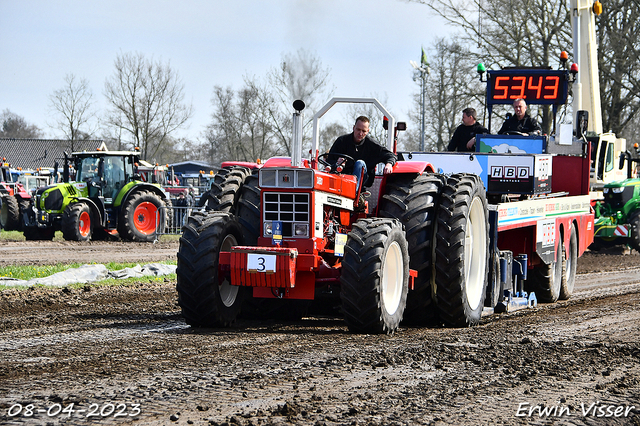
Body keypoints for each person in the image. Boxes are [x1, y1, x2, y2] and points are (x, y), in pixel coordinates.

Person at [328, 116, 396, 194]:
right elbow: (329, 160)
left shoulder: (371, 145)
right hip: (341, 178)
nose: (360, 133)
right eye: (358, 129)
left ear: (368, 131)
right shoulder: (342, 141)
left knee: (360, 163)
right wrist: (337, 163)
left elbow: (390, 155)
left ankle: (353, 193)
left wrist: (389, 164)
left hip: (363, 180)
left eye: (363, 131)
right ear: (353, 128)